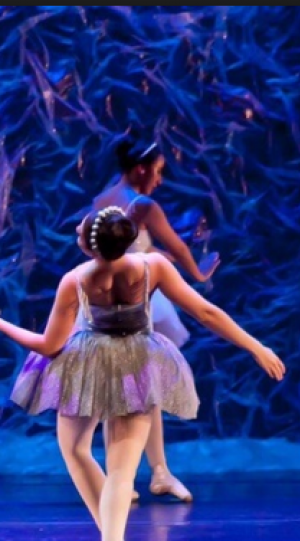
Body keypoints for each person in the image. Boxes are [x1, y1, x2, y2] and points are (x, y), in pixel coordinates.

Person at [0, 206, 284, 541]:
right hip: (138, 361)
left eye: (80, 226)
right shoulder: (153, 266)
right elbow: (206, 312)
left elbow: (49, 345)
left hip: (90, 363)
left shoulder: (77, 279)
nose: (75, 224)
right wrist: (256, 346)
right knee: (117, 465)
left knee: (77, 448)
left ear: (90, 247)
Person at [92, 134, 221, 503]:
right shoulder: (143, 204)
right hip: (137, 302)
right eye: (159, 171)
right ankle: (152, 471)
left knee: (116, 392)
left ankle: (129, 475)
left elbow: (125, 246)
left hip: (106, 301)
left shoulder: (102, 201)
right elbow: (175, 245)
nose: (160, 180)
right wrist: (198, 273)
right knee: (141, 389)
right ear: (140, 170)